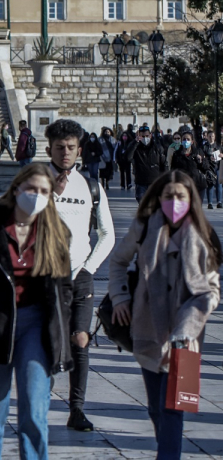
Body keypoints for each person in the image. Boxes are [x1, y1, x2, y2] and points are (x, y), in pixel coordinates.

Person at [0, 163, 73, 460]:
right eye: (31, 189)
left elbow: (64, 289)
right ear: (16, 188)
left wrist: (64, 333)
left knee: (34, 409)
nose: (36, 195)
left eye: (44, 191)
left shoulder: (56, 233)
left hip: (36, 324)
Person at [108, 171, 220, 459]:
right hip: (148, 330)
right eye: (168, 195)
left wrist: (184, 332)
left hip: (187, 338)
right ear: (158, 197)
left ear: (190, 198)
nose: (174, 201)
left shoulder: (204, 234)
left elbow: (211, 290)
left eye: (180, 196)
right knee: (156, 408)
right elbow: (118, 262)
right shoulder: (144, 227)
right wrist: (120, 297)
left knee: (175, 409)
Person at [43, 119, 115, 432]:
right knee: (45, 341)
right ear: (49, 149)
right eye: (60, 148)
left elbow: (107, 233)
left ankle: (77, 409)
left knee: (80, 339)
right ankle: (38, 402)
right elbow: (19, 223)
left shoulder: (91, 186)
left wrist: (89, 266)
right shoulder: (35, 181)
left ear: (79, 149)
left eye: (71, 147)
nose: (66, 153)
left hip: (81, 274)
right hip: (45, 275)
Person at [127, 125, 168, 202]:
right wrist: (135, 142)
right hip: (141, 182)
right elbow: (128, 157)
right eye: (143, 136)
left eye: (147, 136)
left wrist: (164, 179)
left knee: (155, 205)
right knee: (142, 204)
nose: (145, 138)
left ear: (150, 135)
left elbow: (164, 164)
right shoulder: (136, 147)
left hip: (155, 182)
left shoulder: (157, 148)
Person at [170, 131, 209, 201]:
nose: (186, 141)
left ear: (192, 142)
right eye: (184, 139)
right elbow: (173, 169)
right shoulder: (177, 154)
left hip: (198, 185)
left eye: (188, 139)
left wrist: (201, 161)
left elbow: (206, 167)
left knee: (196, 208)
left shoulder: (198, 152)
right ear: (181, 141)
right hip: (183, 186)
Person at [204, 130, 222, 209]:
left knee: (219, 185)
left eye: (213, 136)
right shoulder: (205, 146)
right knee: (210, 185)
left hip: (217, 167)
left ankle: (219, 202)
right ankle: (210, 203)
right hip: (209, 168)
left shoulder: (218, 146)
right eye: (210, 136)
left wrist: (222, 155)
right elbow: (202, 156)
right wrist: (208, 158)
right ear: (207, 137)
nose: (211, 138)